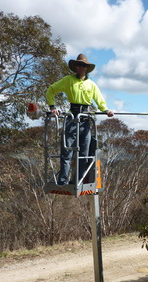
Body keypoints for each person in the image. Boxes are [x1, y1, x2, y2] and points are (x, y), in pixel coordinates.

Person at [46, 53, 114, 186]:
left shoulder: (91, 84)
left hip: (85, 119)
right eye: (79, 65)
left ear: (87, 68)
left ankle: (79, 180)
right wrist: (52, 107)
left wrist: (106, 110)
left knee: (84, 152)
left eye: (84, 65)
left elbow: (100, 100)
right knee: (67, 151)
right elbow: (51, 90)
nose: (82, 67)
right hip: (72, 118)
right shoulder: (68, 80)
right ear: (76, 67)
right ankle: (63, 181)